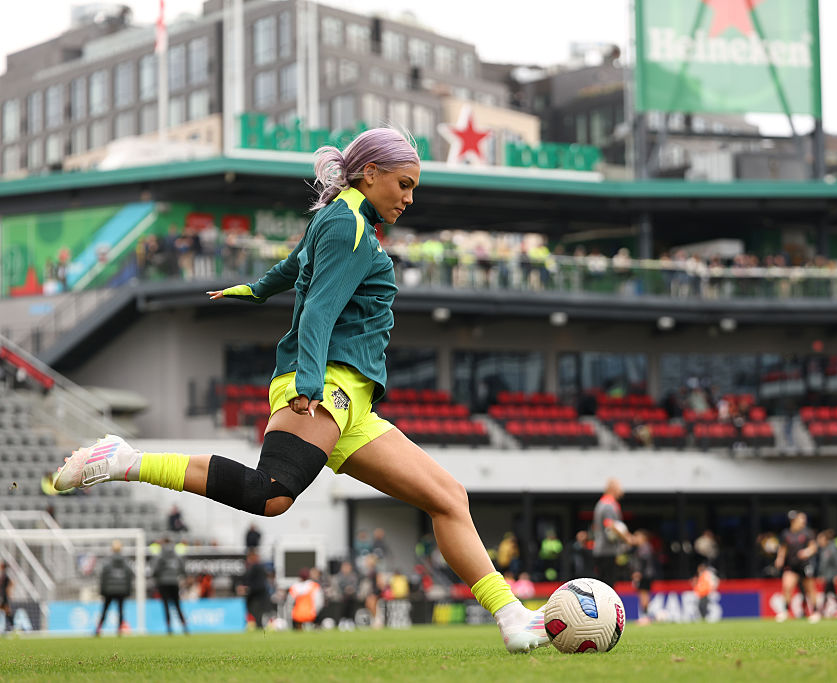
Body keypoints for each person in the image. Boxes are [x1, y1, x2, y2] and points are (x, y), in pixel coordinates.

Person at [52, 127, 549, 653]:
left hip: (353, 404)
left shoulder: (341, 221)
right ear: (371, 173)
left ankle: (513, 618)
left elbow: (293, 267)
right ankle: (125, 459)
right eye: (403, 184)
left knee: (448, 497)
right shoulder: (349, 225)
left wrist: (255, 288)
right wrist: (310, 382)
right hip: (324, 384)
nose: (409, 198)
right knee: (271, 494)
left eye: (413, 188)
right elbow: (318, 311)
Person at [774, 511, 820, 623]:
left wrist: (806, 552)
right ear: (793, 521)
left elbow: (813, 547)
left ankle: (815, 612)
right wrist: (779, 558)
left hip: (805, 565)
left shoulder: (807, 533)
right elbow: (783, 548)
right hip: (791, 565)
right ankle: (785, 611)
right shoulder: (786, 534)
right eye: (801, 519)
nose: (803, 521)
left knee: (810, 589)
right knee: (787, 586)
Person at [592, 478, 634, 584]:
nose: (622, 491)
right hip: (607, 552)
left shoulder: (602, 503)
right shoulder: (608, 505)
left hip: (602, 551)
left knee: (603, 585)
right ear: (613, 488)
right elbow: (611, 526)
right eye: (620, 487)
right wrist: (627, 539)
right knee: (608, 586)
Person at [96, 540, 133, 636]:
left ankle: (98, 629)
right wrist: (128, 591)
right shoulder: (126, 562)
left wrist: (102, 591)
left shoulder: (107, 561)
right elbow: (130, 576)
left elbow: (103, 577)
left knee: (104, 610)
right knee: (121, 610)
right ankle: (119, 630)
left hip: (109, 590)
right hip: (122, 590)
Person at [152, 539, 189, 635]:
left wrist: (159, 577)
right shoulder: (176, 556)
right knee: (177, 605)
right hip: (174, 582)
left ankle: (169, 628)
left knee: (165, 605)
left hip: (163, 583)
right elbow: (182, 569)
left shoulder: (159, 555)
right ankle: (184, 627)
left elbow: (155, 569)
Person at [238, 548, 271, 629]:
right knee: (254, 618)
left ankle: (260, 631)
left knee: (258, 618)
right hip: (254, 598)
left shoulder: (258, 568)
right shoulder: (251, 568)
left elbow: (260, 585)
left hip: (258, 599)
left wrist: (247, 589)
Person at [630, 530, 656, 624]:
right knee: (643, 595)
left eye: (637, 536)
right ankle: (645, 616)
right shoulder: (642, 547)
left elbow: (643, 561)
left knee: (644, 595)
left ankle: (645, 617)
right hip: (646, 574)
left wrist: (638, 572)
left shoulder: (645, 547)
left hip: (645, 575)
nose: (635, 538)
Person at [815, 530, 837, 618]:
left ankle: (820, 611)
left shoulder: (832, 548)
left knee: (826, 593)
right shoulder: (824, 549)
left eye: (820, 540)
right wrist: (821, 575)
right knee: (831, 593)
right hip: (827, 576)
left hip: (831, 575)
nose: (819, 542)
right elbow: (823, 564)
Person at [0, 561, 12, 633]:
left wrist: (8, 593)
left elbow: (10, 584)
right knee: (7, 611)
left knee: (7, 611)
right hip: (3, 596)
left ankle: (11, 626)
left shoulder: (5, 575)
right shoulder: (3, 575)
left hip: (3, 596)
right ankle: (11, 626)